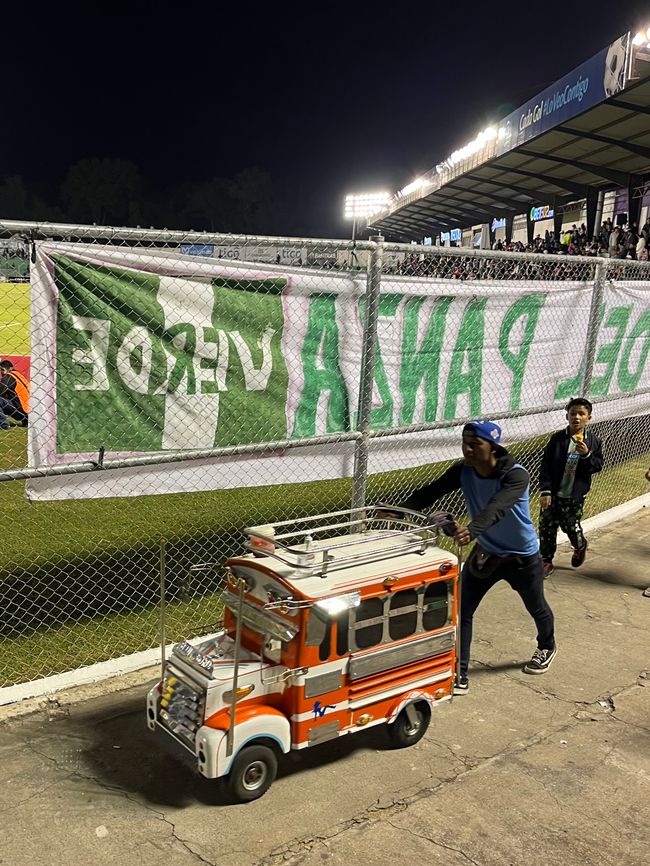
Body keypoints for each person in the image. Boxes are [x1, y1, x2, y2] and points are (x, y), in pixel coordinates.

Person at [381, 419, 556, 694]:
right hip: (486, 552)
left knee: (536, 607)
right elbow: (431, 492)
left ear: (494, 448)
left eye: (476, 445)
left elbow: (498, 507)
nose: (468, 450)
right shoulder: (463, 471)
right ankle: (459, 672)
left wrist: (472, 530)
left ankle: (547, 645)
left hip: (521, 556)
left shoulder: (515, 475)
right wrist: (398, 510)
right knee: (462, 609)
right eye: (465, 444)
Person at [538, 398, 603, 577]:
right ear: (567, 416)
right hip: (553, 494)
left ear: (588, 418)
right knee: (546, 527)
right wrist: (545, 490)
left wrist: (586, 455)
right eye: (573, 413)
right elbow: (546, 466)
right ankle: (546, 560)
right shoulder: (557, 439)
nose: (576, 417)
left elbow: (597, 466)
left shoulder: (593, 441)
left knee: (570, 526)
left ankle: (580, 545)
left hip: (573, 496)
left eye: (581, 414)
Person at [0, 360, 29, 426]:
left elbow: (1, 391)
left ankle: (4, 424)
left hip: (21, 410)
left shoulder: (8, 377)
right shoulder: (19, 376)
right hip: (29, 410)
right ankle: (26, 420)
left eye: (1, 370)